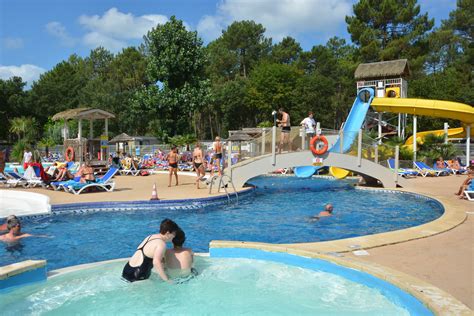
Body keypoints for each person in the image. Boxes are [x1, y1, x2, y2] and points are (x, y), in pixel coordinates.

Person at [122, 218, 179, 283]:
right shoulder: (161, 244)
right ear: (168, 233)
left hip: (127, 270)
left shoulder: (150, 237)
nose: (174, 236)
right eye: (174, 234)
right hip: (138, 275)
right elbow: (156, 263)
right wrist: (167, 280)